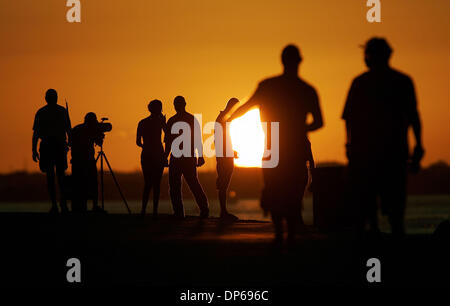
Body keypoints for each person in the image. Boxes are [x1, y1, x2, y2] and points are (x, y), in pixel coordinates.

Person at [228, 45, 323, 246]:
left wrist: (228, 119)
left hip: (274, 148)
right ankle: (288, 234)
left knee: (275, 189)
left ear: (282, 60)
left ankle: (280, 233)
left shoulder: (268, 85)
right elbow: (319, 122)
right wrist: (301, 128)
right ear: (299, 61)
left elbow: (246, 107)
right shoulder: (307, 89)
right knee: (291, 191)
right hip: (294, 148)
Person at [342, 37, 424, 237]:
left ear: (370, 56)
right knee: (395, 211)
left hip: (367, 155)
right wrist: (419, 145)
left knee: (366, 208)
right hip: (393, 154)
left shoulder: (361, 83)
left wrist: (350, 146)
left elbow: (349, 119)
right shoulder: (402, 81)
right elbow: (414, 116)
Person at [164, 96, 209, 219]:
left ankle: (183, 212)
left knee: (184, 185)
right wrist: (200, 156)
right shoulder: (190, 119)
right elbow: (169, 142)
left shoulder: (174, 121)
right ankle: (199, 210)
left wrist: (200, 155)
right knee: (184, 185)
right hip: (184, 157)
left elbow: (169, 142)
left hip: (182, 157)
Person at [32, 89, 71, 214]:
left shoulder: (41, 112)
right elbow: (68, 131)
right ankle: (62, 204)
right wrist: (70, 144)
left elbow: (36, 134)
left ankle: (55, 205)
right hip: (58, 146)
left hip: (48, 147)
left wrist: (34, 149)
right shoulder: (62, 111)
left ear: (46, 98)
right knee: (61, 176)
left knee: (51, 177)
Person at [136, 100, 167, 217]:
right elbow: (168, 135)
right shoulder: (160, 122)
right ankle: (155, 211)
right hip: (158, 154)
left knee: (147, 183)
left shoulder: (142, 122)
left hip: (146, 155)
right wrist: (164, 123)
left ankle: (143, 210)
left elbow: (138, 142)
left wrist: (146, 146)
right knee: (157, 184)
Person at [70, 112, 105, 213]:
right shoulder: (91, 130)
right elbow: (99, 143)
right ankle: (94, 205)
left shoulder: (76, 129)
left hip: (76, 160)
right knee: (93, 182)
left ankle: (80, 207)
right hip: (88, 160)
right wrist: (100, 136)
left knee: (79, 184)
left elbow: (70, 143)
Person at [215, 98, 240, 221]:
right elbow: (218, 139)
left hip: (227, 156)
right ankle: (223, 212)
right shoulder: (222, 118)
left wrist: (232, 151)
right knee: (223, 185)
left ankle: (223, 211)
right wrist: (223, 156)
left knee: (224, 184)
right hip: (224, 157)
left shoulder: (226, 118)